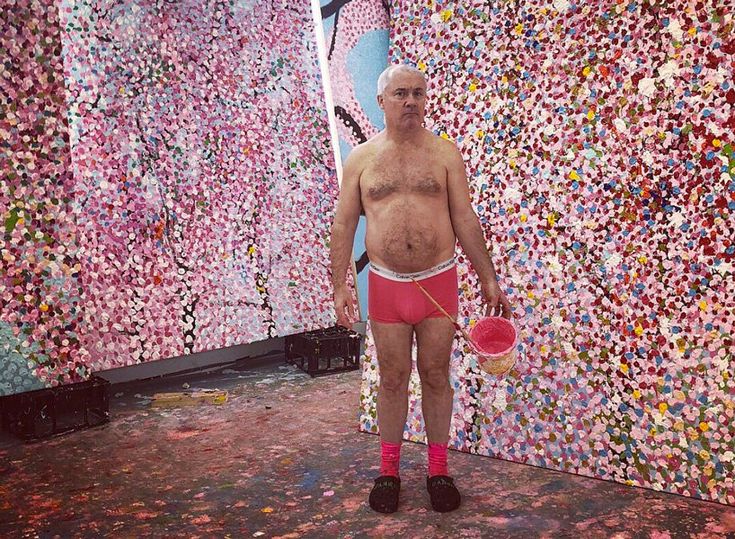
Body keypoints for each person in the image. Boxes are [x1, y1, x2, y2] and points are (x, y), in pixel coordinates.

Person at [329, 64, 511, 514]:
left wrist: (487, 274)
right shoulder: (362, 160)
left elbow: (465, 218)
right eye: (400, 94)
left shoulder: (445, 155)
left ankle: (438, 470)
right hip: (387, 285)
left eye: (417, 93)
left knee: (435, 375)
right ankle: (388, 473)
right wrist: (340, 285)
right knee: (392, 379)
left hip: (438, 281)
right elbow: (344, 223)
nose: (410, 101)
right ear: (382, 102)